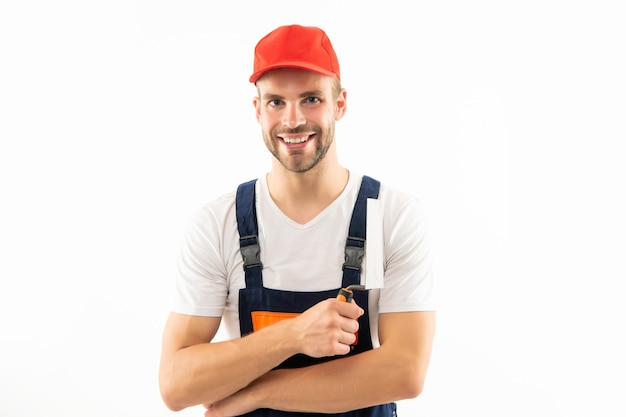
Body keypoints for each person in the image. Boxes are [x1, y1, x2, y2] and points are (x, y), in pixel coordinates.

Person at [159, 24, 436, 417]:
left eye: (310, 99)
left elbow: (405, 372)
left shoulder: (390, 215)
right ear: (257, 110)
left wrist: (258, 392)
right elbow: (175, 385)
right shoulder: (218, 223)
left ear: (339, 103)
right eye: (275, 102)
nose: (292, 120)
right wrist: (293, 335)